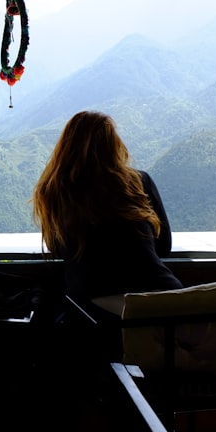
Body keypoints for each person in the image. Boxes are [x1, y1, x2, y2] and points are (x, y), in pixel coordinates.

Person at [31, 110, 182, 302]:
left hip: (96, 304)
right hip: (163, 295)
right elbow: (163, 246)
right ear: (113, 145)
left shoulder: (55, 190)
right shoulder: (139, 182)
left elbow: (58, 247)